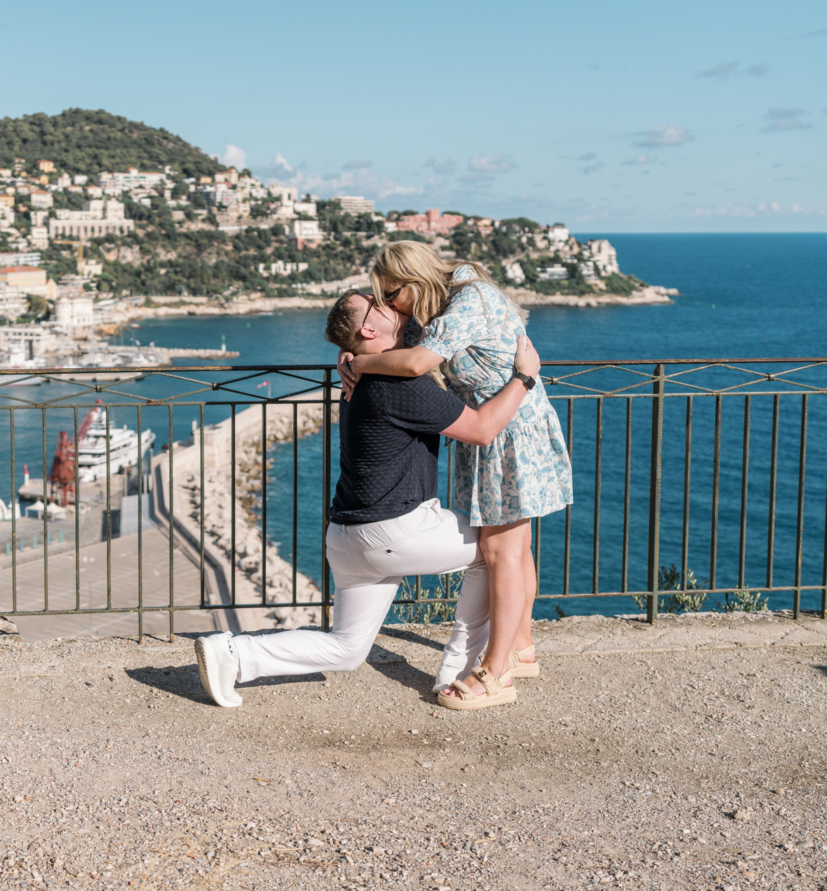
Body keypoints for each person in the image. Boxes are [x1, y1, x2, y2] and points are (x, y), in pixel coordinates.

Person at [194, 290, 543, 710]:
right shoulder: (401, 384)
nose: (394, 306)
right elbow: (484, 429)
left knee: (346, 649)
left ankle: (232, 653)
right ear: (368, 328)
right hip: (395, 531)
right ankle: (459, 670)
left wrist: (352, 357)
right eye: (380, 305)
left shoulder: (359, 379)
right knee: (497, 551)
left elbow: (424, 342)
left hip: (345, 536)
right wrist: (524, 377)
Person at [338, 241, 574, 710]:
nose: (389, 305)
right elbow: (402, 349)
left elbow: (418, 363)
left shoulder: (468, 299)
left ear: (414, 279)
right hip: (489, 429)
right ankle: (520, 647)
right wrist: (347, 355)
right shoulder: (439, 304)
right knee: (510, 548)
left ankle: (497, 671)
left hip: (510, 430)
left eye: (391, 294)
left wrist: (358, 362)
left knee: (500, 550)